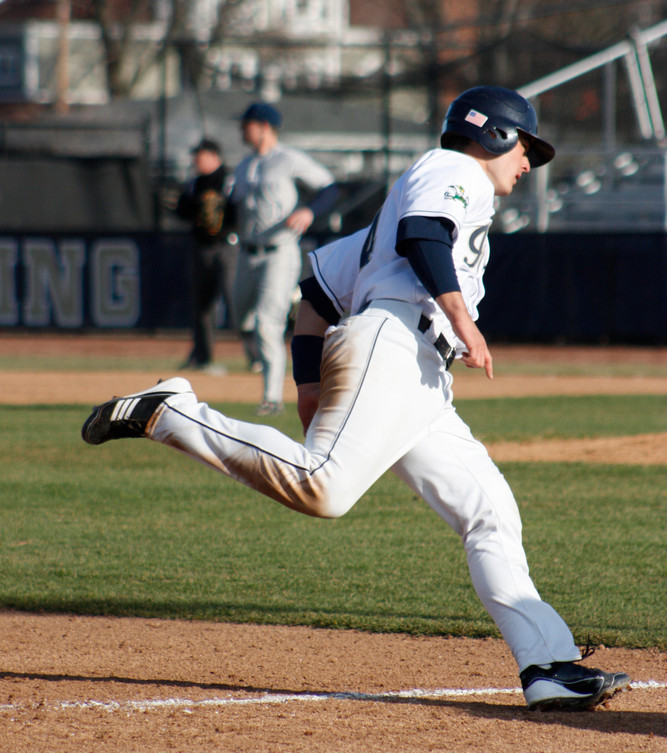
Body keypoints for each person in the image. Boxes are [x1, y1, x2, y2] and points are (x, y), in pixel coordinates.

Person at [82, 85, 630, 711]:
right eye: (526, 145)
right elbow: (425, 236)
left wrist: (310, 384)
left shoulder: (409, 200)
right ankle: (174, 412)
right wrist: (463, 317)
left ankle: (550, 665)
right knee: (324, 487)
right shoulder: (456, 169)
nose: (529, 161)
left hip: (420, 376)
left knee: (491, 513)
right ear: (494, 134)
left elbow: (316, 292)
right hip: (393, 346)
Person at [226, 101, 339, 415]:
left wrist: (309, 211)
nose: (241, 129)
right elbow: (231, 208)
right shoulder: (244, 165)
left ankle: (272, 398)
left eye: (246, 123)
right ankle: (263, 357)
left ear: (263, 126)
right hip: (247, 253)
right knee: (240, 318)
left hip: (279, 251)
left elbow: (330, 188)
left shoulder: (288, 159)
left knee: (266, 323)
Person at [173, 138, 238, 373]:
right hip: (201, 248)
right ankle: (203, 357)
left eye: (199, 155)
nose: (195, 160)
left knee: (237, 300)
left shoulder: (230, 180)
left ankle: (256, 356)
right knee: (202, 306)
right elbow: (182, 210)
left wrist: (225, 221)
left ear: (214, 157)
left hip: (229, 247)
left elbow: (238, 210)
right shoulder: (194, 184)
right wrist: (194, 205)